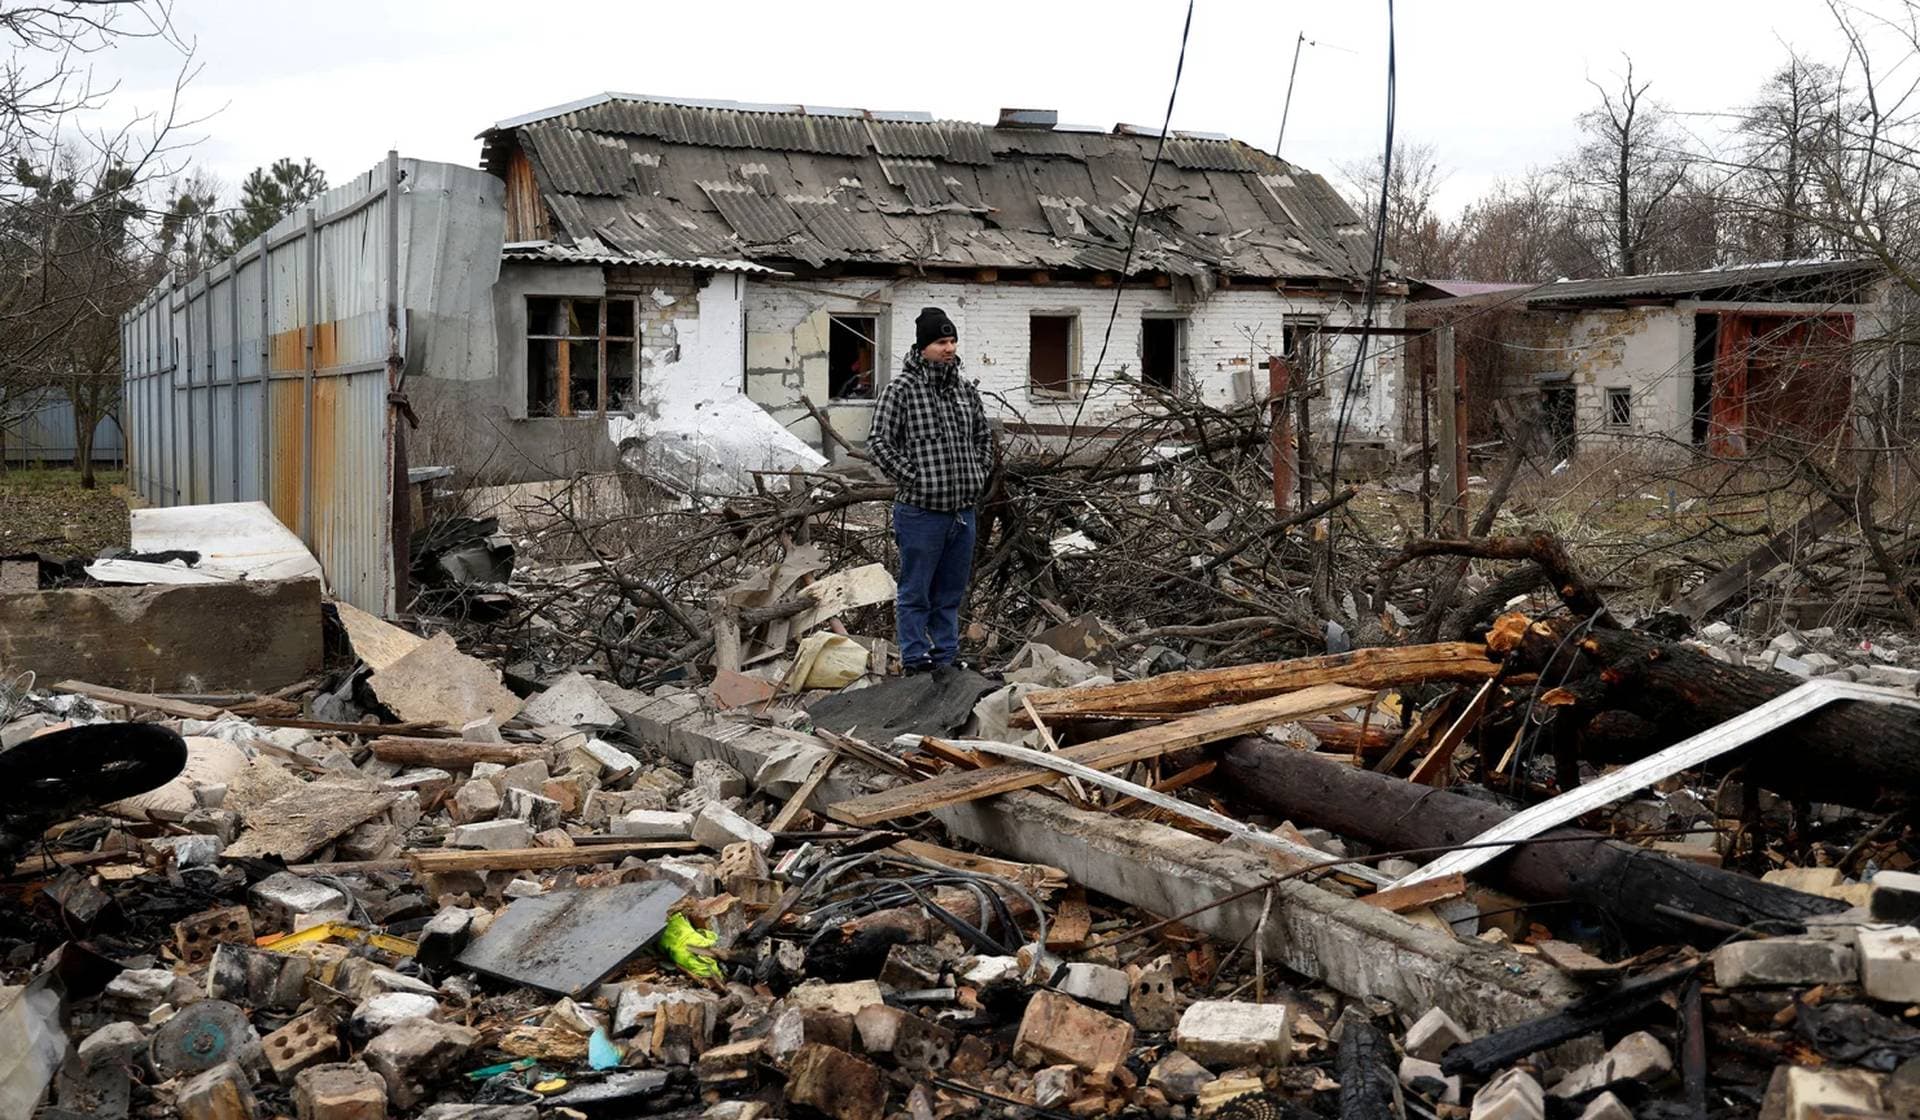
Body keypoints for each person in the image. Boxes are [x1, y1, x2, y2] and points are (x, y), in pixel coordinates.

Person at [866, 306, 993, 674]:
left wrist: (979, 472)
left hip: (962, 512)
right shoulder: (902, 390)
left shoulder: (964, 392)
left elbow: (983, 437)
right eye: (941, 341)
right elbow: (878, 443)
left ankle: (945, 657)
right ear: (923, 346)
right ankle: (915, 659)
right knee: (915, 592)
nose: (949, 348)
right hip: (921, 513)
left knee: (950, 594)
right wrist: (914, 476)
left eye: (952, 341)